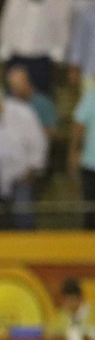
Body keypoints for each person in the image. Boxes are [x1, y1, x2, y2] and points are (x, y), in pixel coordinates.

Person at [0, 67, 49, 228]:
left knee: (23, 218)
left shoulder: (23, 112)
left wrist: (32, 170)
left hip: (21, 175)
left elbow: (38, 142)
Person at [0, 0, 73, 95]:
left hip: (41, 58)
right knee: (13, 94)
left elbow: (62, 29)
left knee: (40, 95)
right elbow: (7, 22)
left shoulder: (59, 0)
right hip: (16, 56)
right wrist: (3, 51)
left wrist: (57, 57)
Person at [72, 75, 95, 229]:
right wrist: (73, 152)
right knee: (90, 207)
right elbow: (78, 127)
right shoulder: (90, 98)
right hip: (90, 163)